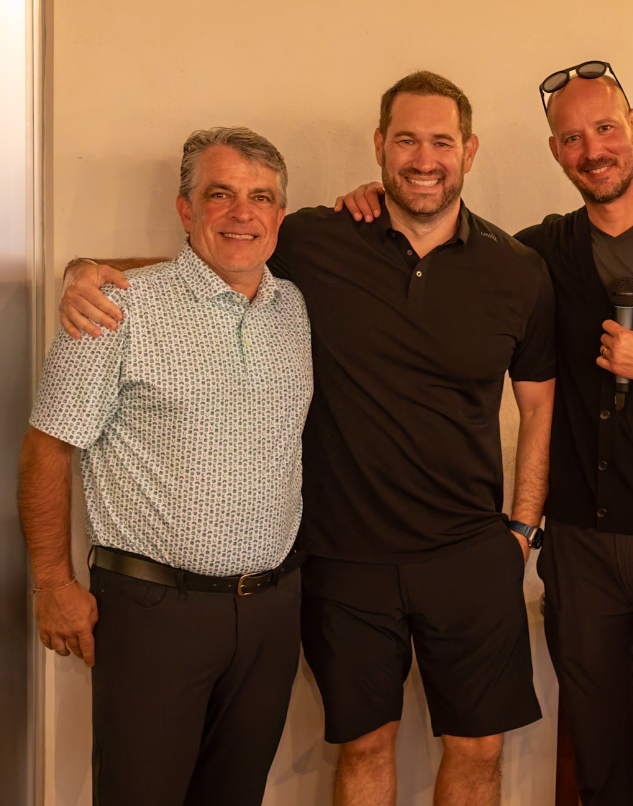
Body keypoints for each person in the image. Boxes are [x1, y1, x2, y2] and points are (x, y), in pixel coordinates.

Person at [57, 72, 555, 806]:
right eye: (407, 140)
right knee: (365, 748)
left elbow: (539, 407)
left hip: (470, 553)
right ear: (380, 146)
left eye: (441, 141)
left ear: (469, 151)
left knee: (479, 755)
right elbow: (216, 259)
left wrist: (520, 526)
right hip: (343, 557)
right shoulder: (318, 240)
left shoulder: (518, 270)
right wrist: (89, 274)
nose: (424, 159)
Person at [341, 61, 633, 805]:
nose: (592, 149)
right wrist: (376, 205)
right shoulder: (537, 254)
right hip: (580, 546)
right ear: (555, 153)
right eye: (571, 138)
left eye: (604, 129)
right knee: (596, 747)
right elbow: (443, 238)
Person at [20, 127, 310, 806]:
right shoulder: (115, 309)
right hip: (154, 614)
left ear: (280, 217)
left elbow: (234, 263)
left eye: (260, 197)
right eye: (220, 195)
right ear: (185, 209)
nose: (242, 214)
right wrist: (51, 582)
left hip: (271, 612)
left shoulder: (294, 308)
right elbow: (47, 449)